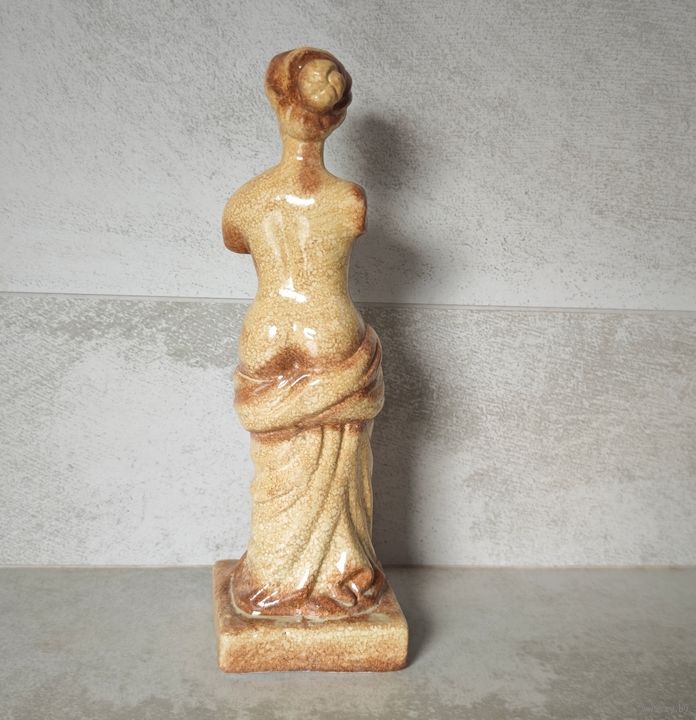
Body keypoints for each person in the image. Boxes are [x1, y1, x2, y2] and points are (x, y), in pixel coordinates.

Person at [222, 48, 387, 619]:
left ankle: (273, 574)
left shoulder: (245, 201)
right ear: (336, 117)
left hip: (267, 329)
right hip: (329, 326)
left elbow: (235, 239)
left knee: (276, 466)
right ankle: (338, 572)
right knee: (337, 461)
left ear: (275, 100)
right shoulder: (349, 199)